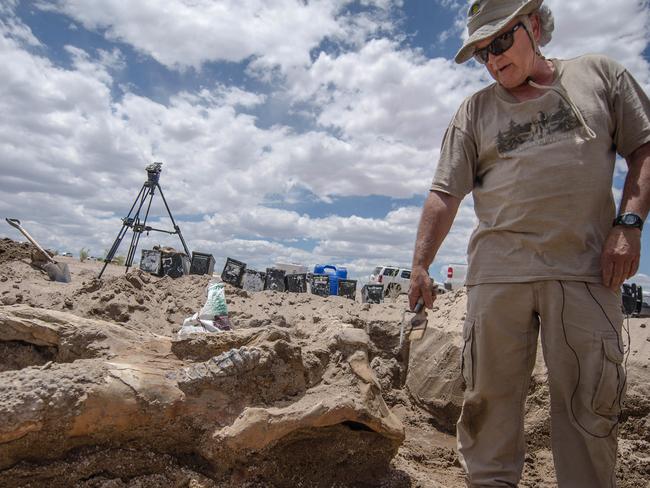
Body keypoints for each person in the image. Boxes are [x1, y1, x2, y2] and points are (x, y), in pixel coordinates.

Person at [407, 0, 650, 486]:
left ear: (534, 26)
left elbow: (644, 147)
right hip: (498, 276)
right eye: (481, 51)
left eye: (501, 40)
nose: (493, 58)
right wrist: (419, 265)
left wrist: (628, 224)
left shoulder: (600, 75)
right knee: (487, 408)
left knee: (590, 410)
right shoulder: (475, 110)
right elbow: (444, 193)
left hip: (584, 273)